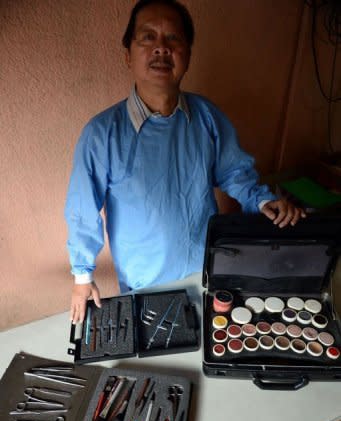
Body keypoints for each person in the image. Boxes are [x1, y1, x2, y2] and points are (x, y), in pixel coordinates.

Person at [65, 0, 305, 324]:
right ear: (128, 55)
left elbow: (235, 172)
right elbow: (82, 210)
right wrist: (83, 277)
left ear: (188, 54)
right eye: (148, 38)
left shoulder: (207, 116)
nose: (161, 48)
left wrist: (262, 200)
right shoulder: (101, 134)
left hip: (208, 272)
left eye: (173, 39)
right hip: (144, 285)